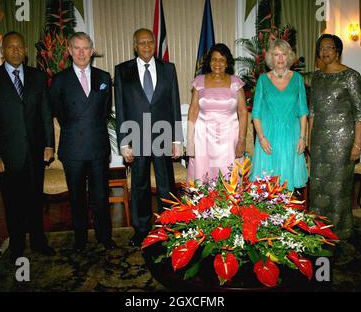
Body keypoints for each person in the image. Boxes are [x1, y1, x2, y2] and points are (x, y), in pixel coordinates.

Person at [0, 31, 55, 262]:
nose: (15, 51)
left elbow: (45, 114)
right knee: (12, 203)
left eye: (20, 47)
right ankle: (17, 247)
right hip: (7, 155)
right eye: (10, 47)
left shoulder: (38, 77)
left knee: (35, 200)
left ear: (25, 51)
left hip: (35, 152)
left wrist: (49, 144)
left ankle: (39, 242)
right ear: (2, 51)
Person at [114, 28, 183, 247]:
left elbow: (174, 103)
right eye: (141, 43)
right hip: (136, 133)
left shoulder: (168, 69)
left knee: (166, 184)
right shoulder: (122, 70)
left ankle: (167, 227)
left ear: (154, 44)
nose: (146, 46)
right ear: (135, 45)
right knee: (140, 185)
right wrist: (124, 142)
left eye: (150, 42)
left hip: (163, 133)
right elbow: (121, 108)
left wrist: (177, 140)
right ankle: (141, 229)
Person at [51, 32, 116, 252]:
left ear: (92, 50)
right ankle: (80, 239)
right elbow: (59, 113)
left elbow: (105, 110)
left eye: (86, 48)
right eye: (76, 48)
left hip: (98, 146)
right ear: (69, 50)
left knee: (100, 196)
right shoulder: (60, 80)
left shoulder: (104, 77)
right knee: (77, 197)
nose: (81, 53)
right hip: (72, 149)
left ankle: (104, 236)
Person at [308, 34, 361, 240]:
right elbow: (312, 110)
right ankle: (318, 227)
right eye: (321, 48)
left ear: (338, 51)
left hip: (343, 140)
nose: (325, 52)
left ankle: (340, 229)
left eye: (329, 47)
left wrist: (357, 145)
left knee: (339, 185)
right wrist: (308, 139)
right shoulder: (316, 76)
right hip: (319, 139)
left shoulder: (351, 76)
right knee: (317, 184)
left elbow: (359, 112)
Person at [249, 39, 308, 191]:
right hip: (268, 136)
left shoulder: (298, 79)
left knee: (288, 183)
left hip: (291, 136)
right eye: (276, 55)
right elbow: (256, 113)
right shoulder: (263, 79)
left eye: (284, 54)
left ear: (289, 57)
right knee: (266, 184)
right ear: (270, 58)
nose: (280, 58)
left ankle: (287, 214)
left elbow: (303, 112)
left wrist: (302, 138)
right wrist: (261, 138)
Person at [187, 43, 248, 181]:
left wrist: (241, 140)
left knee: (228, 175)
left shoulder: (236, 83)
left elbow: (243, 112)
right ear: (209, 62)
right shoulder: (199, 81)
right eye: (214, 59)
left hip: (229, 138)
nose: (217, 63)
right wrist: (190, 140)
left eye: (222, 60)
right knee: (203, 176)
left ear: (227, 63)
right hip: (203, 138)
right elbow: (193, 110)